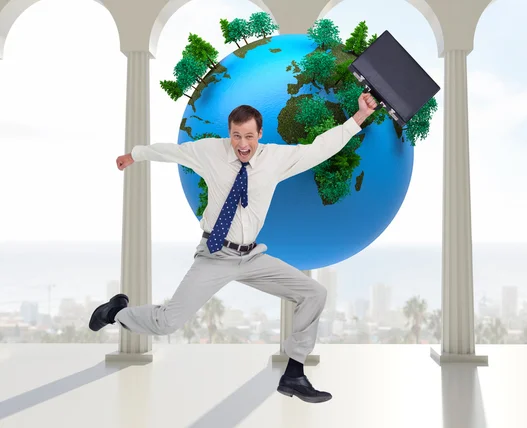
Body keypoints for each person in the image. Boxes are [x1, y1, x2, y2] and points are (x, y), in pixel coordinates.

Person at [89, 92, 378, 403]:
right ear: (230, 133)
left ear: (260, 134)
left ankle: (294, 374)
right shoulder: (210, 152)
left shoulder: (275, 159)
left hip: (251, 256)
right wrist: (136, 154)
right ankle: (116, 312)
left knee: (313, 293)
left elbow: (321, 148)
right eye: (237, 136)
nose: (243, 144)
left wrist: (359, 116)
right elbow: (173, 152)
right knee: (167, 322)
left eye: (249, 136)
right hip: (215, 254)